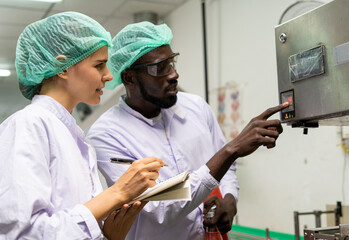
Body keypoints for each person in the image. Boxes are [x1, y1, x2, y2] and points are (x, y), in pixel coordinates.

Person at [87, 21, 288, 240]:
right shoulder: (107, 134)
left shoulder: (196, 107)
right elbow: (161, 208)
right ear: (129, 78)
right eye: (160, 67)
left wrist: (230, 198)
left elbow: (226, 168)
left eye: (172, 63)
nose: (174, 74)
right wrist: (232, 149)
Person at [0, 13, 164, 239]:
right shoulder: (27, 125)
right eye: (99, 65)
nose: (108, 76)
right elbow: (24, 232)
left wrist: (108, 235)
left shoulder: (73, 135)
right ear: (62, 66)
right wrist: (117, 193)